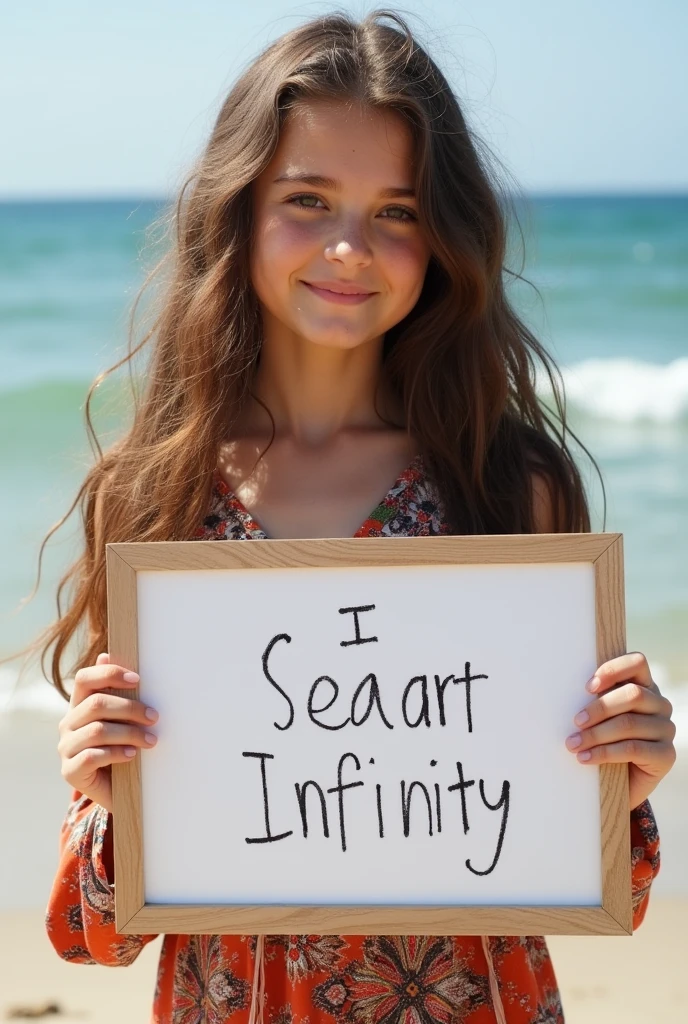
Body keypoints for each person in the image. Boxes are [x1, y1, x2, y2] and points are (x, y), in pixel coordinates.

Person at [37, 10, 675, 1024]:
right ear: (238, 210)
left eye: (398, 212)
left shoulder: (509, 484)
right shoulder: (154, 493)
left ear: (443, 236)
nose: (349, 245)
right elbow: (94, 932)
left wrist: (624, 783)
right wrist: (109, 799)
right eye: (307, 199)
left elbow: (592, 883)